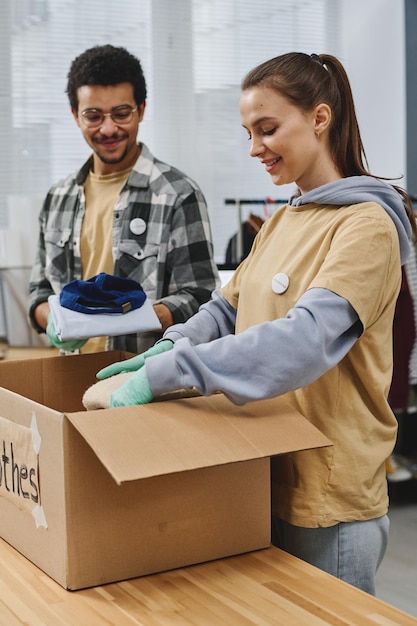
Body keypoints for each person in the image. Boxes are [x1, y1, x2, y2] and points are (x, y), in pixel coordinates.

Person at [95, 52, 417, 595]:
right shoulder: (285, 219)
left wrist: (175, 371)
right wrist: (169, 345)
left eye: (267, 129)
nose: (254, 149)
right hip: (264, 473)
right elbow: (227, 306)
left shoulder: (367, 227)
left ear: (319, 118)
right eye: (248, 132)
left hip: (328, 494)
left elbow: (304, 340)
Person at [28, 45, 220, 354]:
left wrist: (136, 318)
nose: (108, 128)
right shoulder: (57, 199)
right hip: (68, 371)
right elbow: (39, 292)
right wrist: (53, 320)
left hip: (145, 374)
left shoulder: (179, 194)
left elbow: (201, 295)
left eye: (121, 113)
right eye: (93, 116)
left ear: (141, 110)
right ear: (76, 115)